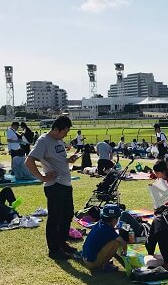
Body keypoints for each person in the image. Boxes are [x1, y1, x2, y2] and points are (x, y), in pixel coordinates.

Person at [26, 116, 80, 260]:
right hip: (54, 186)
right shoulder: (43, 140)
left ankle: (62, 243)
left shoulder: (58, 140)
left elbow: (57, 159)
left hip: (66, 184)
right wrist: (42, 177)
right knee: (55, 219)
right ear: (56, 129)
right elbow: (29, 161)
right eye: (64, 132)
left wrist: (68, 160)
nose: (66, 135)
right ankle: (54, 250)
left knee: (68, 214)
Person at [81, 204, 127, 272]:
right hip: (91, 263)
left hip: (85, 258)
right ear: (114, 219)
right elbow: (122, 242)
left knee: (111, 241)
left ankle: (102, 261)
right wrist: (125, 251)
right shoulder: (108, 230)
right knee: (116, 242)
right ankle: (104, 265)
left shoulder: (100, 224)